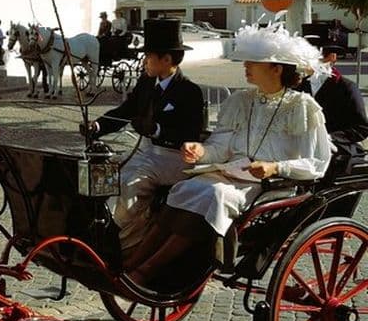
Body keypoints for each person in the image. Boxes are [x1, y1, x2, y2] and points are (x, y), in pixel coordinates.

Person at [125, 24, 330, 287]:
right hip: (231, 173)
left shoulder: (302, 107)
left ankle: (148, 269)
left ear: (276, 69)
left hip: (271, 185)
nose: (245, 66)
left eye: (252, 63)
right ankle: (134, 261)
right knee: (184, 188)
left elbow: (317, 162)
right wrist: (201, 151)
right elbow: (221, 146)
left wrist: (275, 167)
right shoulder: (240, 101)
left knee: (214, 195)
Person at [82, 19, 205, 255]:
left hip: (175, 158)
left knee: (129, 183)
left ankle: (122, 243)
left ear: (166, 59)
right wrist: (97, 126)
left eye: (148, 56)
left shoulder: (190, 91)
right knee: (101, 173)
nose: (144, 61)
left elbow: (191, 135)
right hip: (146, 153)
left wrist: (157, 130)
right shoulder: (147, 82)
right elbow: (125, 111)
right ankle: (101, 226)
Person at [299, 22, 368, 214]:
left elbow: (361, 127)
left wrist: (328, 138)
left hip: (339, 150)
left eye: (317, 55)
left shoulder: (346, 87)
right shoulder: (298, 87)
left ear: (332, 57)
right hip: (302, 147)